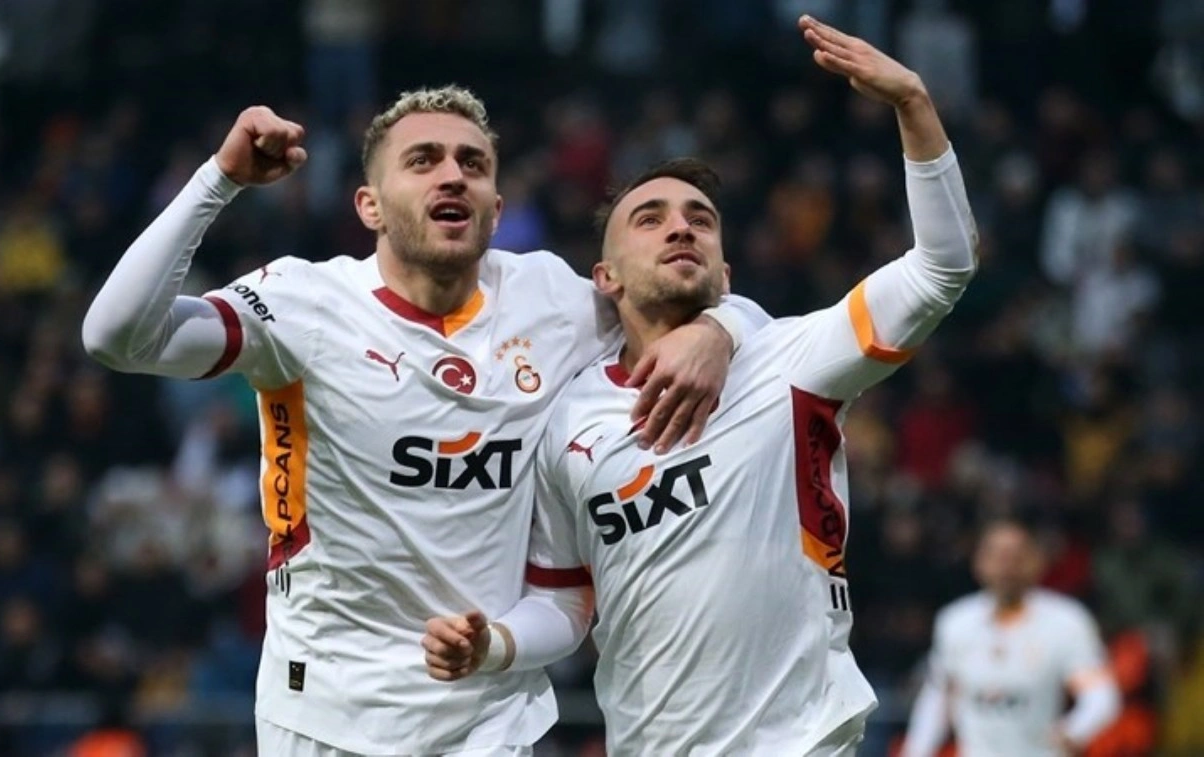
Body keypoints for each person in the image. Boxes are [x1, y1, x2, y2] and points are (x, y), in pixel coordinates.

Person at [80, 85, 770, 754]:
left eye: (472, 164)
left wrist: (720, 327)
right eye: (423, 160)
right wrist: (219, 180)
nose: (452, 176)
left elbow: (700, 299)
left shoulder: (556, 302)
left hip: (489, 718)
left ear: (496, 208)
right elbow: (115, 336)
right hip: (324, 712)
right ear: (370, 206)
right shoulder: (303, 304)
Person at [419, 15, 977, 756]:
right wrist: (494, 644)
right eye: (649, 220)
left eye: (701, 220)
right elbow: (563, 600)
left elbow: (944, 266)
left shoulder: (791, 359)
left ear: (726, 271)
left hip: (799, 739)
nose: (681, 228)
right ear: (605, 277)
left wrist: (913, 104)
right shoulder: (566, 423)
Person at [900, 518, 1121, 757]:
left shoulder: (1066, 621)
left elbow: (1100, 695)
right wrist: (915, 752)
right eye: (997, 556)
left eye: (1017, 556)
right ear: (979, 563)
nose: (1006, 566)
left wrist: (1075, 730)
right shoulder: (956, 622)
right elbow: (937, 698)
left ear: (1037, 561)